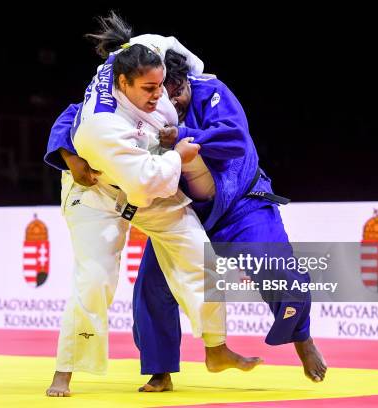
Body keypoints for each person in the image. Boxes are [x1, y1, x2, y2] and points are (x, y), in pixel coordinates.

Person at [49, 48, 327, 393]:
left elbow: (236, 139)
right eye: (159, 91)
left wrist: (181, 136)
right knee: (152, 287)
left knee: (274, 266)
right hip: (186, 207)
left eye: (173, 92)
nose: (169, 101)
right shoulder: (137, 101)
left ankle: (302, 339)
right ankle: (160, 369)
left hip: (240, 204)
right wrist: (68, 153)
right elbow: (77, 114)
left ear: (185, 84)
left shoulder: (212, 92)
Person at [44, 13, 260, 398]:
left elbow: (184, 57)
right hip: (99, 193)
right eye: (149, 88)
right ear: (122, 82)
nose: (160, 94)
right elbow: (145, 187)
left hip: (147, 175)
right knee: (95, 279)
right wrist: (180, 153)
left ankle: (216, 346)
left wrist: (188, 76)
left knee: (200, 254)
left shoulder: (146, 51)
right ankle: (66, 369)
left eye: (162, 84)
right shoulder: (102, 125)